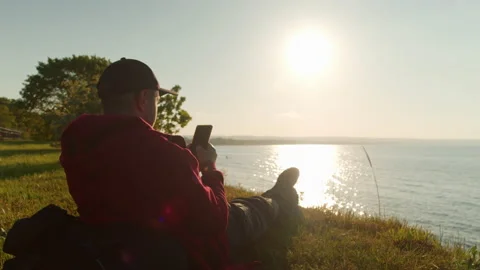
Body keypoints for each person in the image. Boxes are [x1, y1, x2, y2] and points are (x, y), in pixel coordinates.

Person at [56, 58, 303, 269]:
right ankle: (281, 197)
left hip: (114, 242)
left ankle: (278, 193)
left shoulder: (79, 144)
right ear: (143, 98)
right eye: (157, 98)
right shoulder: (162, 152)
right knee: (249, 211)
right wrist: (208, 168)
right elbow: (214, 221)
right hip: (177, 243)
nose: (156, 105)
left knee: (238, 205)